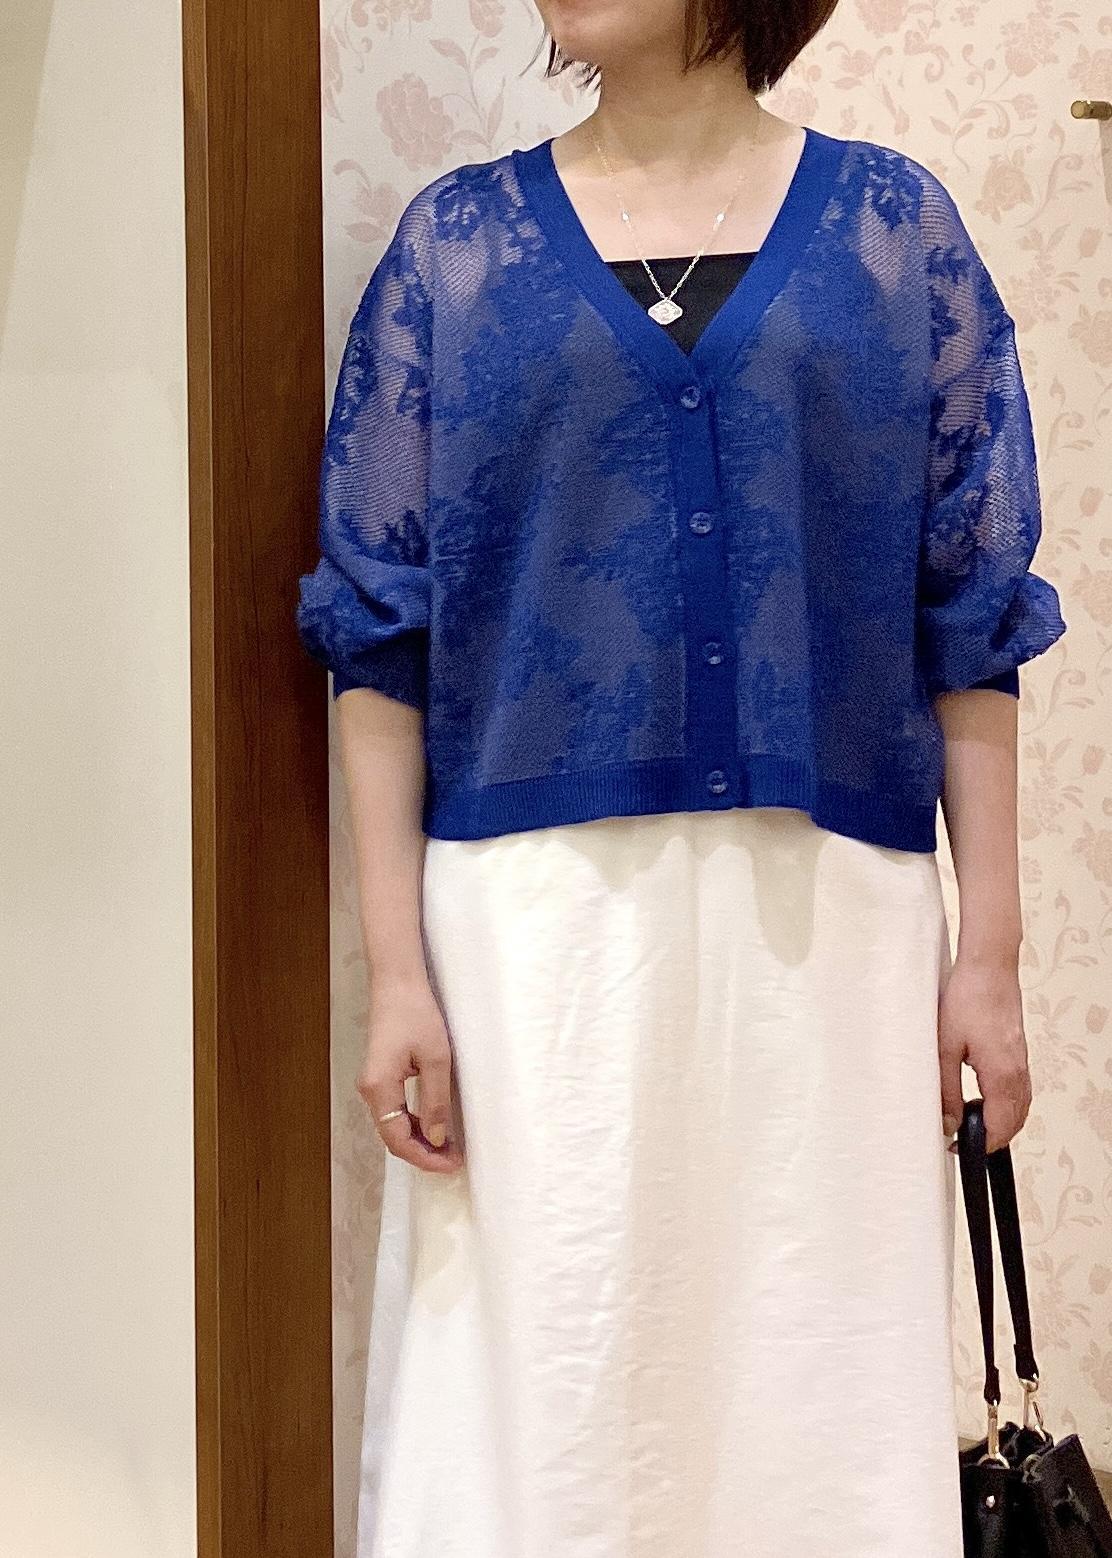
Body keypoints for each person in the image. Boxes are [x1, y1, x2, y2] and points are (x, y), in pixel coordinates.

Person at [295, 2, 1067, 1553]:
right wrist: (398, 972)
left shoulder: (894, 234)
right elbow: (379, 633)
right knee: (544, 1386)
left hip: (832, 939)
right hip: (534, 940)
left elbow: (969, 619)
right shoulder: (455, 254)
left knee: (810, 1383)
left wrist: (987, 955)